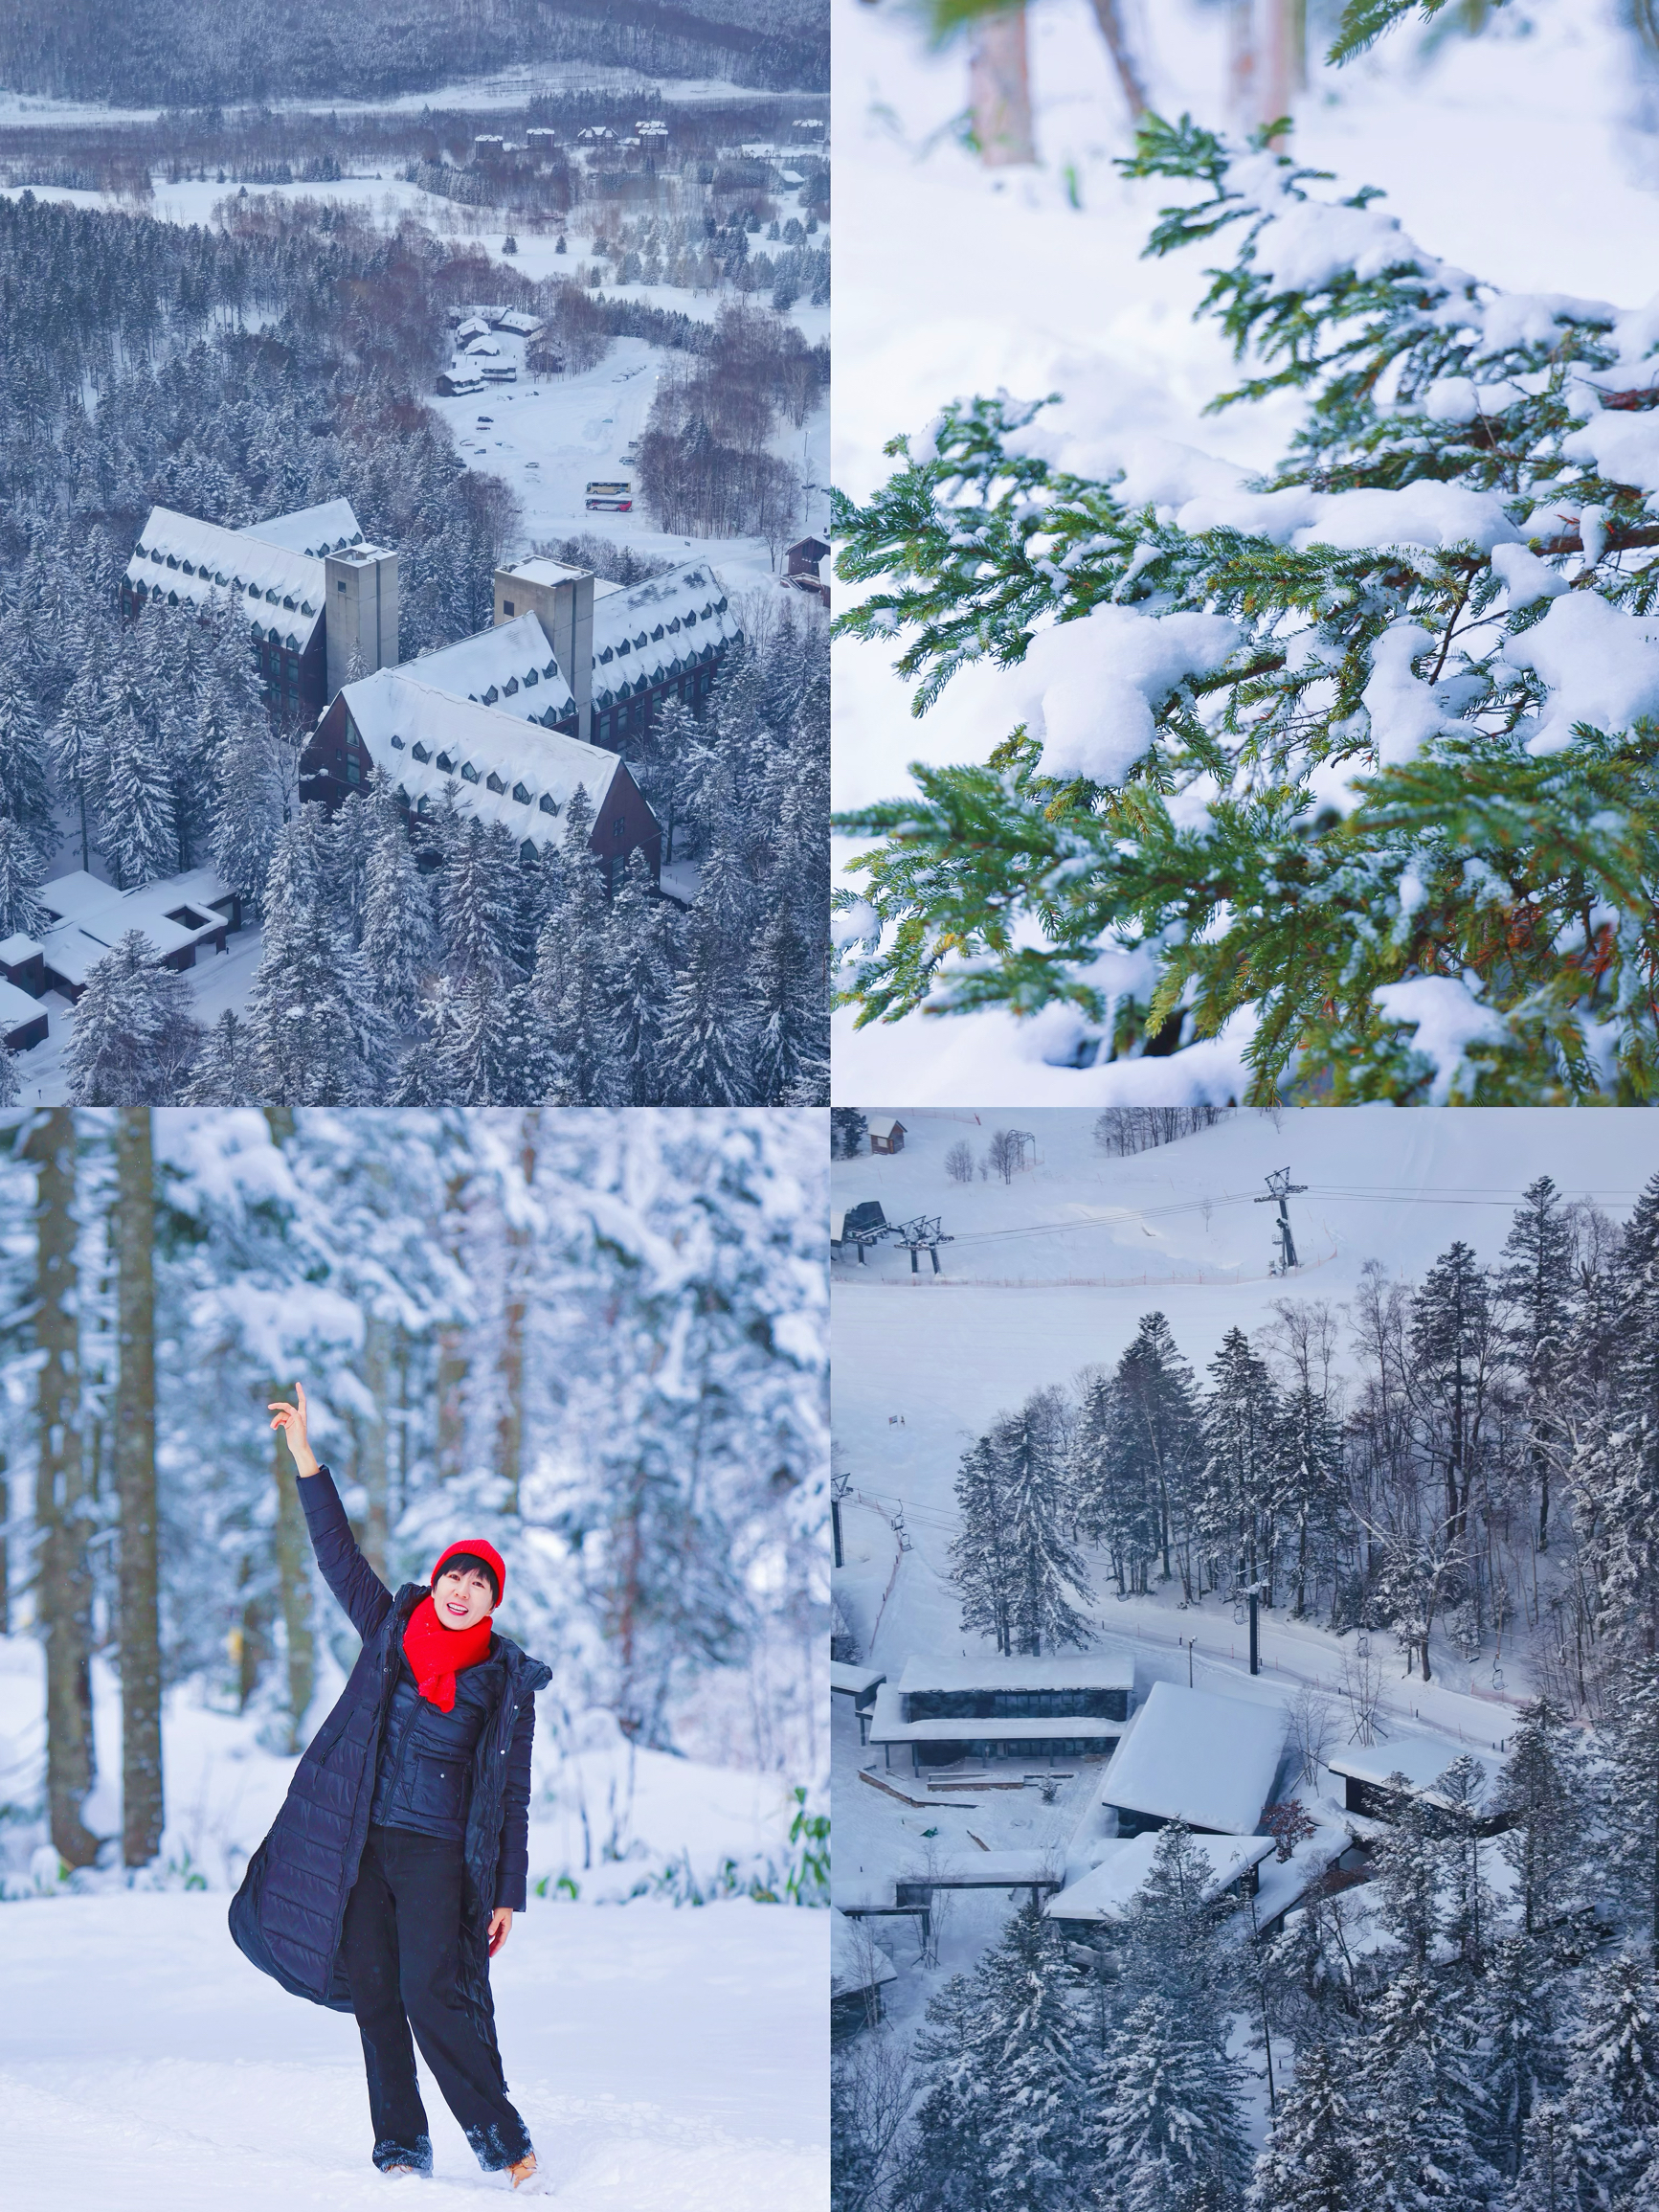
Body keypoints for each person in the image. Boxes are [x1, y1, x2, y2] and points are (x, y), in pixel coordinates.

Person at [230, 1383, 552, 2191]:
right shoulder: (388, 1632)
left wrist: (508, 1891)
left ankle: (504, 2141)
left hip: (436, 1857)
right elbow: (337, 1553)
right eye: (455, 1575)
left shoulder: (501, 1684)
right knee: (376, 1993)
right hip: (361, 1844)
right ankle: (400, 2150)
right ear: (436, 1580)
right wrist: (306, 1459)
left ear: (490, 1602)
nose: (461, 1590)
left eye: (480, 1584)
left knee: (428, 1995)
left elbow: (511, 1797)